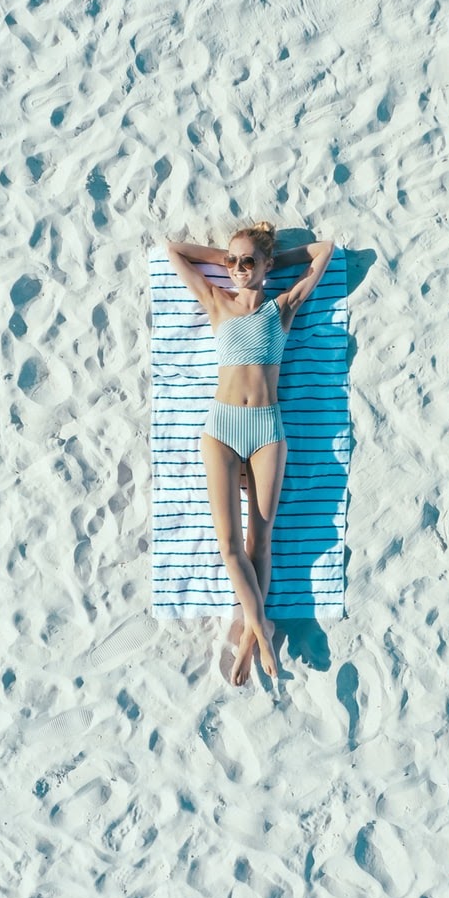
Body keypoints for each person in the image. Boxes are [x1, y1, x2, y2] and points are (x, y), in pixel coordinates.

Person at [167, 223, 334, 685]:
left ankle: (248, 636)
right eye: (232, 263)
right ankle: (260, 627)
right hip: (221, 429)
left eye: (248, 262)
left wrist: (274, 256)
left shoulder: (282, 308)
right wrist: (228, 254)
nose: (238, 270)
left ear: (266, 266)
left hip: (266, 430)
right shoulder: (217, 302)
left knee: (260, 541)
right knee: (228, 544)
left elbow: (324, 250)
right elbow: (175, 249)